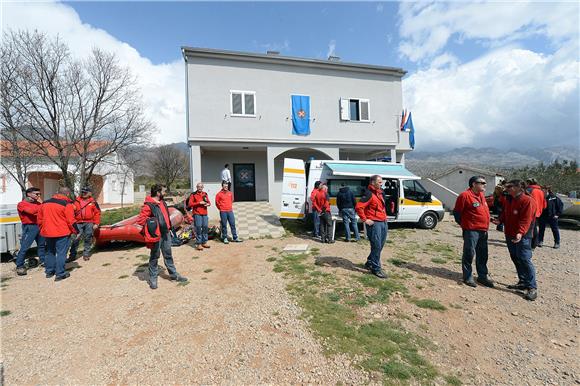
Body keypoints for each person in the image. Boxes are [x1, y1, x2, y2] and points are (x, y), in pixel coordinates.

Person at [493, 180, 537, 301]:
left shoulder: (528, 201)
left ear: (519, 187)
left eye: (509, 187)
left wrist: (520, 232)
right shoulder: (510, 199)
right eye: (506, 186)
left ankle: (532, 287)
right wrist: (500, 220)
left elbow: (526, 219)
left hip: (523, 236)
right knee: (515, 257)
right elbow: (505, 213)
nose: (506, 188)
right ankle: (522, 282)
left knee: (524, 259)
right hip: (510, 233)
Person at [136, 184, 187, 289]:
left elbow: (166, 217)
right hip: (157, 235)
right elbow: (141, 220)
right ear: (158, 193)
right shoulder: (149, 205)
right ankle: (153, 278)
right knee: (155, 256)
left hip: (166, 233)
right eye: (163, 191)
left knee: (168, 254)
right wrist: (153, 223)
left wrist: (169, 228)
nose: (165, 193)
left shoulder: (162, 202)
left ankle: (174, 275)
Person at [452, 176, 494, 288]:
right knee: (469, 253)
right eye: (482, 182)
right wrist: (466, 226)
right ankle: (468, 277)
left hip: (483, 230)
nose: (485, 184)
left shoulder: (481, 195)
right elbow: (457, 213)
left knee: (483, 254)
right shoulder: (465, 196)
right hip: (471, 231)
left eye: (485, 182)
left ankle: (482, 276)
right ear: (474, 184)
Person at [37, 186, 77, 282]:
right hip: (62, 233)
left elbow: (39, 219)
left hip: (48, 232)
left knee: (50, 252)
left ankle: (49, 272)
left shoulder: (45, 203)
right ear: (67, 194)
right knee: (61, 253)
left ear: (57, 192)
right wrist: (76, 231)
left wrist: (43, 229)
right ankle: (60, 274)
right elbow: (71, 221)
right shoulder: (66, 204)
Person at [355, 175, 388, 279]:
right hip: (375, 224)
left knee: (380, 245)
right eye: (379, 182)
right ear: (373, 183)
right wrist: (365, 219)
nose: (381, 184)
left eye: (381, 182)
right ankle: (376, 268)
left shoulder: (380, 193)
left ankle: (370, 261)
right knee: (376, 246)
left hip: (383, 221)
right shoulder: (369, 194)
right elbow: (359, 207)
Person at [15, 187, 46, 276]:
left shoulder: (38, 203)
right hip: (29, 227)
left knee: (41, 246)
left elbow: (43, 212)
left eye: (39, 194)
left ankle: (43, 261)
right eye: (37, 194)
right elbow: (32, 212)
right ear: (29, 194)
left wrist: (41, 207)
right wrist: (42, 208)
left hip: (39, 226)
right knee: (25, 247)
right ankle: (20, 266)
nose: (38, 196)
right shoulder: (21, 204)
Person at [68, 187, 101, 262]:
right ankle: (72, 256)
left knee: (88, 238)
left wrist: (96, 223)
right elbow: (71, 212)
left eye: (85, 192)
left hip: (89, 222)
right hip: (78, 223)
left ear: (89, 193)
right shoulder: (75, 201)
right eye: (82, 192)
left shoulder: (93, 202)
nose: (83, 193)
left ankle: (86, 254)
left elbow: (97, 213)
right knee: (75, 239)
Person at [187, 182, 211, 251]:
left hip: (205, 213)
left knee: (205, 227)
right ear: (196, 187)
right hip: (197, 214)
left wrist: (208, 204)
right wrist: (199, 203)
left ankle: (204, 242)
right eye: (198, 187)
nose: (200, 188)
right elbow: (190, 204)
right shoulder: (193, 194)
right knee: (198, 227)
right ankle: (199, 243)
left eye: (201, 187)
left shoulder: (205, 194)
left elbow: (209, 202)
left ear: (203, 187)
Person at [526, 178, 546, 249]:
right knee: (534, 227)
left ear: (529, 183)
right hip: (538, 212)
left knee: (530, 228)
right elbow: (544, 204)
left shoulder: (529, 190)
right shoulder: (541, 191)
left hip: (530, 211)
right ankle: (534, 243)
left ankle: (532, 244)